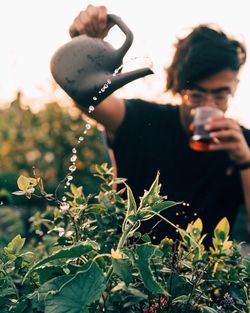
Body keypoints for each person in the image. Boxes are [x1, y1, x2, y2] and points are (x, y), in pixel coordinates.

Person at [67, 5, 250, 245]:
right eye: (196, 94)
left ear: (234, 87)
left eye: (220, 95)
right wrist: (86, 46)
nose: (208, 105)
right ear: (178, 85)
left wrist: (244, 160)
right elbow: (84, 95)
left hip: (199, 280)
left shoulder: (243, 144)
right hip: (127, 273)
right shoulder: (143, 120)